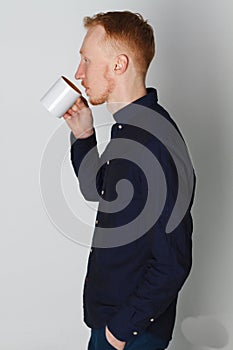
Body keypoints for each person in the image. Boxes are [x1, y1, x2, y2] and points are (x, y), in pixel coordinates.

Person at [63, 11, 196, 350]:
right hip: (111, 321)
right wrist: (84, 136)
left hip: (131, 333)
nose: (79, 73)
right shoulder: (131, 130)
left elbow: (173, 261)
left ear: (119, 65)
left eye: (87, 60)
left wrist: (121, 330)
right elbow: (100, 192)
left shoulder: (156, 141)